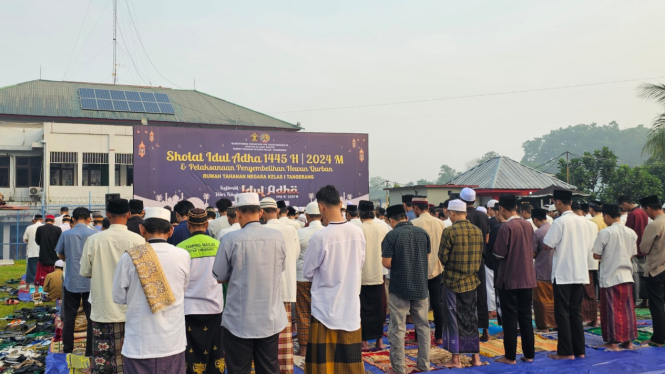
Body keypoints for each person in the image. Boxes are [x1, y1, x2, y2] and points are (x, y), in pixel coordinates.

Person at [212, 193, 287, 374]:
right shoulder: (277, 237)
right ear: (260, 212)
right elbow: (280, 268)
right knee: (269, 368)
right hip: (269, 317)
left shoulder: (230, 239)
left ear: (237, 214)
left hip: (239, 319)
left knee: (238, 369)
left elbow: (219, 276)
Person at [112, 207, 191, 374]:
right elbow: (183, 289)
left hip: (139, 342)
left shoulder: (129, 257)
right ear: (171, 230)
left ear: (142, 229)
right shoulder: (183, 255)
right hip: (172, 341)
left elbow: (118, 296)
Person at [302, 185, 366, 374]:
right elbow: (359, 264)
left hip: (325, 308)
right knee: (349, 365)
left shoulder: (320, 237)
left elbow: (307, 273)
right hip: (350, 307)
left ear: (321, 207)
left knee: (323, 367)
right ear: (340, 203)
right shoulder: (357, 233)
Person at [80, 198, 145, 374]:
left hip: (103, 306)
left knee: (103, 359)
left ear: (108, 215)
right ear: (129, 215)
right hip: (130, 307)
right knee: (130, 356)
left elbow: (85, 271)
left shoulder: (95, 240)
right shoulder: (138, 240)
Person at [543, 190, 593, 360]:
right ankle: (579, 350)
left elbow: (547, 245)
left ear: (557, 202)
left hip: (564, 272)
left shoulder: (560, 222)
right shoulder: (584, 222)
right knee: (575, 312)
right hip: (579, 271)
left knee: (562, 312)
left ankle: (566, 351)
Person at [382, 204, 431, 374]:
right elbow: (426, 257)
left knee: (397, 328)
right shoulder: (423, 233)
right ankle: (424, 364)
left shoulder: (391, 236)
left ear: (391, 220)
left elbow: (387, 263)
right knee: (423, 327)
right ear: (406, 217)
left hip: (399, 287)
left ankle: (398, 368)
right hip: (420, 286)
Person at [176, 208, 224, 374]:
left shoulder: (180, 248)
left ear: (189, 225)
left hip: (189, 310)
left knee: (191, 354)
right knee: (215, 352)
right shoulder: (219, 246)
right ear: (206, 224)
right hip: (215, 308)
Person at [438, 199, 483, 368]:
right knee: (471, 318)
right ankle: (475, 357)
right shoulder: (477, 231)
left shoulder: (450, 231)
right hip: (472, 281)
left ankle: (456, 359)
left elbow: (442, 257)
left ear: (453, 213)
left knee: (453, 319)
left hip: (453, 282)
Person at [493, 194, 536, 365]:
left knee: (510, 319)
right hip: (527, 277)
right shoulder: (528, 225)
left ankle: (510, 356)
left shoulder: (506, 227)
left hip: (510, 278)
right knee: (526, 317)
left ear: (502, 208)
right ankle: (529, 354)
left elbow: (498, 253)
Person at [591, 203, 638, 351]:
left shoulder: (606, 232)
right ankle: (627, 341)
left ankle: (612, 342)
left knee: (611, 311)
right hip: (626, 276)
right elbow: (632, 254)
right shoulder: (631, 232)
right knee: (627, 310)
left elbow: (596, 254)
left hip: (611, 276)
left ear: (606, 216)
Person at [262, 197, 299, 374]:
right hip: (286, 287)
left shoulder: (261, 230)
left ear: (261, 212)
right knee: (284, 338)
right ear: (277, 211)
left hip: (266, 290)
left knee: (266, 336)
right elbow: (296, 254)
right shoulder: (290, 229)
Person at [56, 207, 96, 355]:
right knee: (91, 317)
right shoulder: (95, 235)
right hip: (90, 282)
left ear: (72, 219)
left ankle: (67, 349)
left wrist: (70, 257)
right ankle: (90, 351)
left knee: (69, 317)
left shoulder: (66, 235)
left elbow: (60, 255)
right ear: (88, 219)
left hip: (71, 280)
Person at [411, 196, 446, 345]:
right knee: (437, 303)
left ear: (416, 208)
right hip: (437, 268)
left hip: (418, 269)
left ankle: (420, 338)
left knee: (420, 305)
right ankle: (439, 336)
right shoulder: (440, 223)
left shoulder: (413, 224)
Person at [459, 187, 491, 341]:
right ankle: (485, 330)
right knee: (481, 295)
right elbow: (487, 239)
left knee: (466, 296)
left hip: (464, 261)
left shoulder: (461, 217)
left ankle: (468, 330)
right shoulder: (483, 216)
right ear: (475, 200)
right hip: (480, 260)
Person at [295, 201, 325, 359]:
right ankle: (320, 346)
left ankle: (304, 349)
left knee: (303, 312)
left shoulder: (300, 233)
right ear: (321, 215)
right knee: (321, 312)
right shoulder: (326, 232)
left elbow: (294, 254)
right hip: (321, 279)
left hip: (302, 278)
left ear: (306, 216)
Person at [358, 200, 388, 350]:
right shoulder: (383, 227)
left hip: (362, 275)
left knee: (363, 309)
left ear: (360, 213)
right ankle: (379, 341)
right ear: (374, 212)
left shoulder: (357, 229)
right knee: (377, 308)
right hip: (378, 272)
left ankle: (364, 342)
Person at [639, 195, 665, 346]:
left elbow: (644, 248)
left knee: (656, 305)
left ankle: (658, 338)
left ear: (648, 208)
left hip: (657, 269)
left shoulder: (655, 225)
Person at [572, 202, 600, 326]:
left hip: (581, 261)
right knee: (590, 290)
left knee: (584, 291)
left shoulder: (576, 224)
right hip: (592, 260)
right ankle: (592, 317)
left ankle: (586, 317)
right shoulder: (592, 224)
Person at [619, 195, 650, 308]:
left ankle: (636, 300)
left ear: (625, 204)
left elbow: (628, 232)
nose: (623, 209)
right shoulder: (642, 212)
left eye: (622, 206)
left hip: (634, 249)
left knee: (635, 275)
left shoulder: (632, 214)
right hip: (644, 247)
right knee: (644, 275)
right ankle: (645, 299)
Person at [531, 208, 556, 331]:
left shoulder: (538, 232)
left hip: (542, 269)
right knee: (553, 299)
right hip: (555, 269)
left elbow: (533, 253)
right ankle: (554, 323)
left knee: (541, 300)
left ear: (535, 219)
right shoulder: (554, 228)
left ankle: (544, 325)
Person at [485, 203, 506, 322]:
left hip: (495, 264)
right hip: (512, 268)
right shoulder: (523, 225)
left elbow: (491, 246)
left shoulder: (497, 227)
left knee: (493, 289)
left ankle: (492, 310)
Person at [35, 214, 62, 286]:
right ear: (53, 221)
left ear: (45, 221)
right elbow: (60, 243)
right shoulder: (58, 229)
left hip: (43, 256)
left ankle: (38, 291)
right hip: (54, 257)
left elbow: (37, 241)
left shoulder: (40, 229)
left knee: (41, 276)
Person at [23, 214, 43, 284]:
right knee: (41, 269)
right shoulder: (44, 227)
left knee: (31, 269)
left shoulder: (29, 227)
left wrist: (31, 240)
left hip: (32, 251)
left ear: (33, 220)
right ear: (42, 220)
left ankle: (31, 284)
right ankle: (41, 283)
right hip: (43, 252)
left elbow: (25, 239)